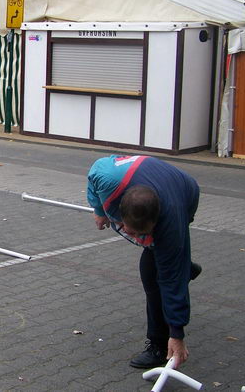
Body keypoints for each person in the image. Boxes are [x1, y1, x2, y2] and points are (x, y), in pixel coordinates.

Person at [86, 155, 201, 369]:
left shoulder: (170, 226)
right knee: (160, 262)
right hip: (142, 178)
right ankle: (183, 264)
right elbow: (93, 173)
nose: (130, 235)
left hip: (186, 192)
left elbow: (171, 281)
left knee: (159, 274)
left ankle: (158, 345)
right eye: (128, 228)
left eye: (141, 233)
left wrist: (177, 333)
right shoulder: (107, 178)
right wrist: (99, 209)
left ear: (155, 223)